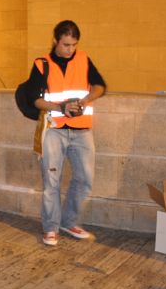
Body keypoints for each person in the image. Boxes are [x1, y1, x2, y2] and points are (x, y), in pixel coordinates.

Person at [25, 20, 106, 246]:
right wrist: (60, 107)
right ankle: (50, 228)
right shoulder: (42, 64)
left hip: (82, 130)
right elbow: (35, 99)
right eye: (66, 45)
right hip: (54, 131)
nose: (70, 50)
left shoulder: (83, 59)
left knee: (85, 179)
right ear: (55, 41)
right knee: (51, 182)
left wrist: (86, 99)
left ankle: (68, 221)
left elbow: (100, 86)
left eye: (74, 45)